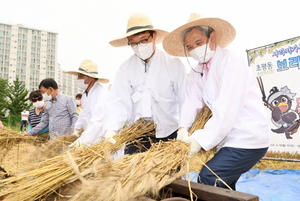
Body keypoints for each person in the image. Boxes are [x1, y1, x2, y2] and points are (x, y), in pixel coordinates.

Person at [162, 13, 271, 190]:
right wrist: (183, 128)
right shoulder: (198, 71)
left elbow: (226, 109)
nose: (195, 50)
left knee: (209, 177)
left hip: (247, 138)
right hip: (228, 140)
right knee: (225, 187)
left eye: (199, 43)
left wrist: (198, 140)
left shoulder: (231, 63)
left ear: (212, 36)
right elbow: (192, 100)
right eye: (190, 47)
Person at [104, 13, 187, 154]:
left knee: (171, 175)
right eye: (134, 43)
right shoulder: (125, 69)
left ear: (154, 36)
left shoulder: (173, 64)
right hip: (137, 136)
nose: (139, 46)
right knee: (132, 174)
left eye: (143, 40)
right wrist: (111, 130)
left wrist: (184, 127)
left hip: (168, 133)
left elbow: (185, 98)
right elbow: (119, 103)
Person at [65, 59, 109, 146]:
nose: (78, 78)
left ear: (90, 78)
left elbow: (97, 122)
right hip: (89, 136)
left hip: (99, 138)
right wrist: (77, 130)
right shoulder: (86, 95)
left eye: (80, 75)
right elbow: (83, 114)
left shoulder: (100, 95)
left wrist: (83, 141)